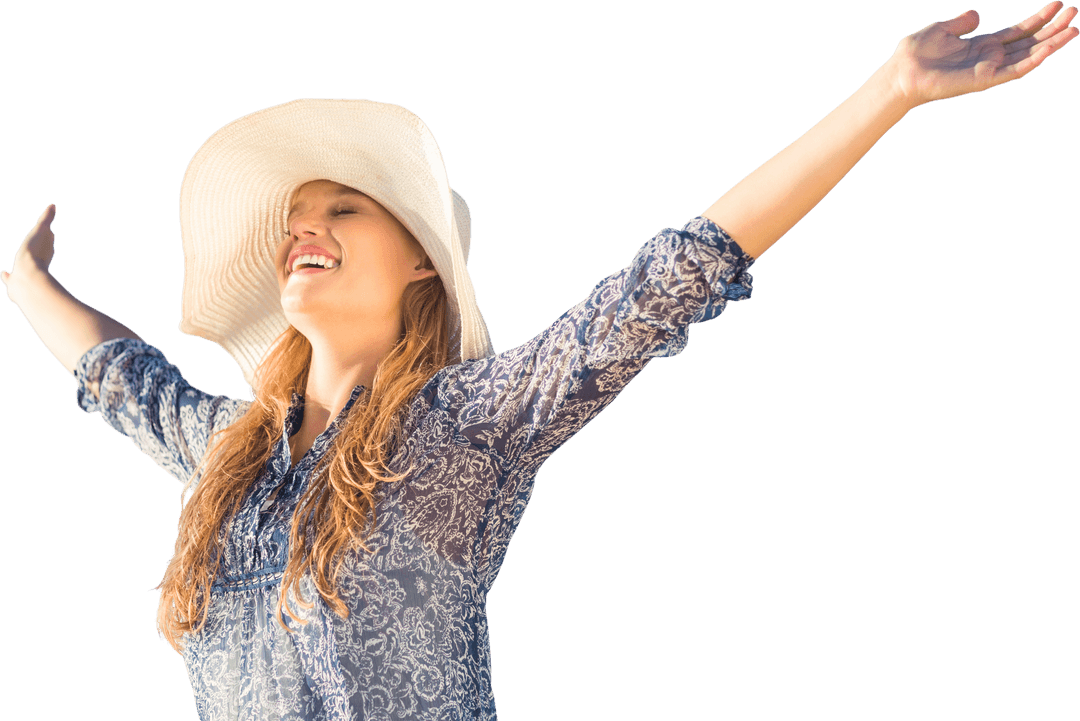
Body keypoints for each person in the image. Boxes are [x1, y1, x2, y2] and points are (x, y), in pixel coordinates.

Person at [2, 4, 1075, 720]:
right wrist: (25, 284)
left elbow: (670, 277)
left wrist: (887, 92)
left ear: (422, 264)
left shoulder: (465, 424)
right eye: (293, 219)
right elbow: (118, 374)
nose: (304, 230)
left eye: (342, 209)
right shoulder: (232, 452)